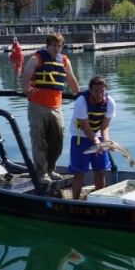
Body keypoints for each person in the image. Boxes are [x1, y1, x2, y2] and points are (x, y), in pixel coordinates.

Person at [20, 33, 80, 184]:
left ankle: (51, 169)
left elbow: (71, 79)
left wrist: (80, 95)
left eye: (59, 46)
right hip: (37, 105)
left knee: (58, 138)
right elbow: (26, 77)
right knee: (38, 138)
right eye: (54, 45)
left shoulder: (65, 61)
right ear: (48, 45)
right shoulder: (36, 58)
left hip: (56, 106)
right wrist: (26, 90)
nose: (56, 48)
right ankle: (41, 172)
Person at [68, 76, 116, 199]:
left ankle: (99, 200)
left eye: (102, 91)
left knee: (100, 171)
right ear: (90, 89)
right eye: (96, 91)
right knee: (79, 173)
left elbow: (104, 126)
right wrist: (96, 143)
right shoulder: (81, 102)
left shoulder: (110, 102)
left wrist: (105, 141)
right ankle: (75, 201)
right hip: (80, 136)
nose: (99, 94)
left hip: (98, 135)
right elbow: (86, 128)